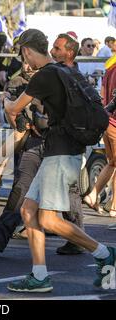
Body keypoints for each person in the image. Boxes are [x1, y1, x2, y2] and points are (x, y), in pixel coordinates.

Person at [4, 29, 116, 293]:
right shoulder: (66, 72)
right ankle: (39, 275)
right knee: (28, 210)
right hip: (61, 150)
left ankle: (104, 253)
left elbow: (13, 110)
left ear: (27, 51)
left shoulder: (44, 75)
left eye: (24, 54)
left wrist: (7, 100)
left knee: (50, 220)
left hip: (61, 153)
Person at [0, 33, 85, 256]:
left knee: (67, 193)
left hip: (61, 144)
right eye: (52, 47)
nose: (54, 52)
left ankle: (83, 241)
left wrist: (10, 105)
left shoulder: (56, 75)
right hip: (36, 142)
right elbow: (16, 113)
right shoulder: (23, 80)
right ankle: (2, 235)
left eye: (57, 48)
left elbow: (13, 108)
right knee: (22, 187)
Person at [83, 57, 116, 218]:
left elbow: (103, 95)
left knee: (112, 163)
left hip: (108, 121)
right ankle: (111, 204)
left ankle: (103, 199)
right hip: (114, 123)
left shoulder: (110, 69)